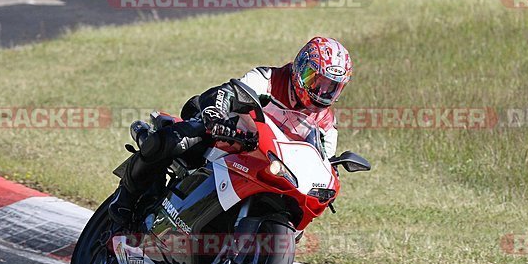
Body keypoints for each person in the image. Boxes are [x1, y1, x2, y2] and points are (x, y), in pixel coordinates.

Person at [109, 36, 353, 225]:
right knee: (174, 141)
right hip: (226, 138)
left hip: (265, 167)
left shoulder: (326, 125)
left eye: (331, 88)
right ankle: (126, 198)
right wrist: (217, 114)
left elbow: (322, 161)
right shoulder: (269, 78)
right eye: (316, 81)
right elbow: (229, 91)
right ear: (300, 68)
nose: (321, 93)